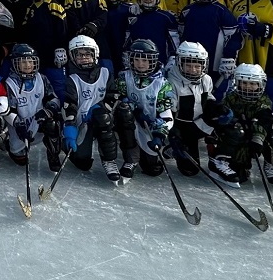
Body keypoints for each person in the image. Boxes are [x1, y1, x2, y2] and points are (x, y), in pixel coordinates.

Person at [62, 35, 123, 182]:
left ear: (94, 54)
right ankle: (66, 145)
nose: (84, 58)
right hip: (82, 122)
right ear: (72, 57)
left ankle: (109, 160)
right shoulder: (72, 79)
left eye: (87, 54)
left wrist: (98, 108)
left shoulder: (105, 73)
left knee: (102, 118)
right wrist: (70, 128)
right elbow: (69, 104)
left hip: (102, 119)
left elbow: (113, 95)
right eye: (79, 55)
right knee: (83, 163)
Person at [215, 63, 273, 187]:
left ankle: (272, 165)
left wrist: (258, 138)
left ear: (260, 84)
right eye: (244, 83)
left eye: (252, 84)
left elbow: (264, 118)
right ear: (237, 82)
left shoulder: (264, 100)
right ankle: (222, 161)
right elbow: (222, 121)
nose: (248, 87)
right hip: (237, 138)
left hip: (255, 136)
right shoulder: (230, 99)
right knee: (240, 175)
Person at [164, 41, 224, 180]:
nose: (193, 70)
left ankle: (217, 159)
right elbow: (169, 112)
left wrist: (218, 108)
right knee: (190, 169)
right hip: (182, 127)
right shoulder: (171, 83)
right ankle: (174, 148)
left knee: (224, 125)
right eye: (188, 65)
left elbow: (208, 98)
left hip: (199, 122)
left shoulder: (206, 79)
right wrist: (174, 134)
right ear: (180, 63)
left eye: (197, 66)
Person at [119, 39, 175, 180]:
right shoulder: (125, 77)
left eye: (145, 60)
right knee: (123, 114)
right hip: (131, 122)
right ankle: (130, 160)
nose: (140, 64)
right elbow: (119, 98)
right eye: (136, 59)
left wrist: (159, 135)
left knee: (152, 169)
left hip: (149, 126)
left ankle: (146, 155)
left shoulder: (162, 84)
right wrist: (132, 109)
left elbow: (166, 115)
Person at [0, 44, 62, 170]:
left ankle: (53, 156)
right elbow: (7, 111)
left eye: (30, 61)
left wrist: (47, 111)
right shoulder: (9, 84)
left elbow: (54, 99)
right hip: (20, 129)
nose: (27, 65)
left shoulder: (42, 78)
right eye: (23, 61)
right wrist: (18, 124)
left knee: (53, 125)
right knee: (21, 160)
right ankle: (6, 141)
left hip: (38, 123)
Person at [174, 0, 238, 87]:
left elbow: (234, 36)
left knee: (211, 93)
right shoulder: (187, 10)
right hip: (190, 61)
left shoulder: (221, 10)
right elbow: (180, 34)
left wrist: (229, 57)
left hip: (214, 61)